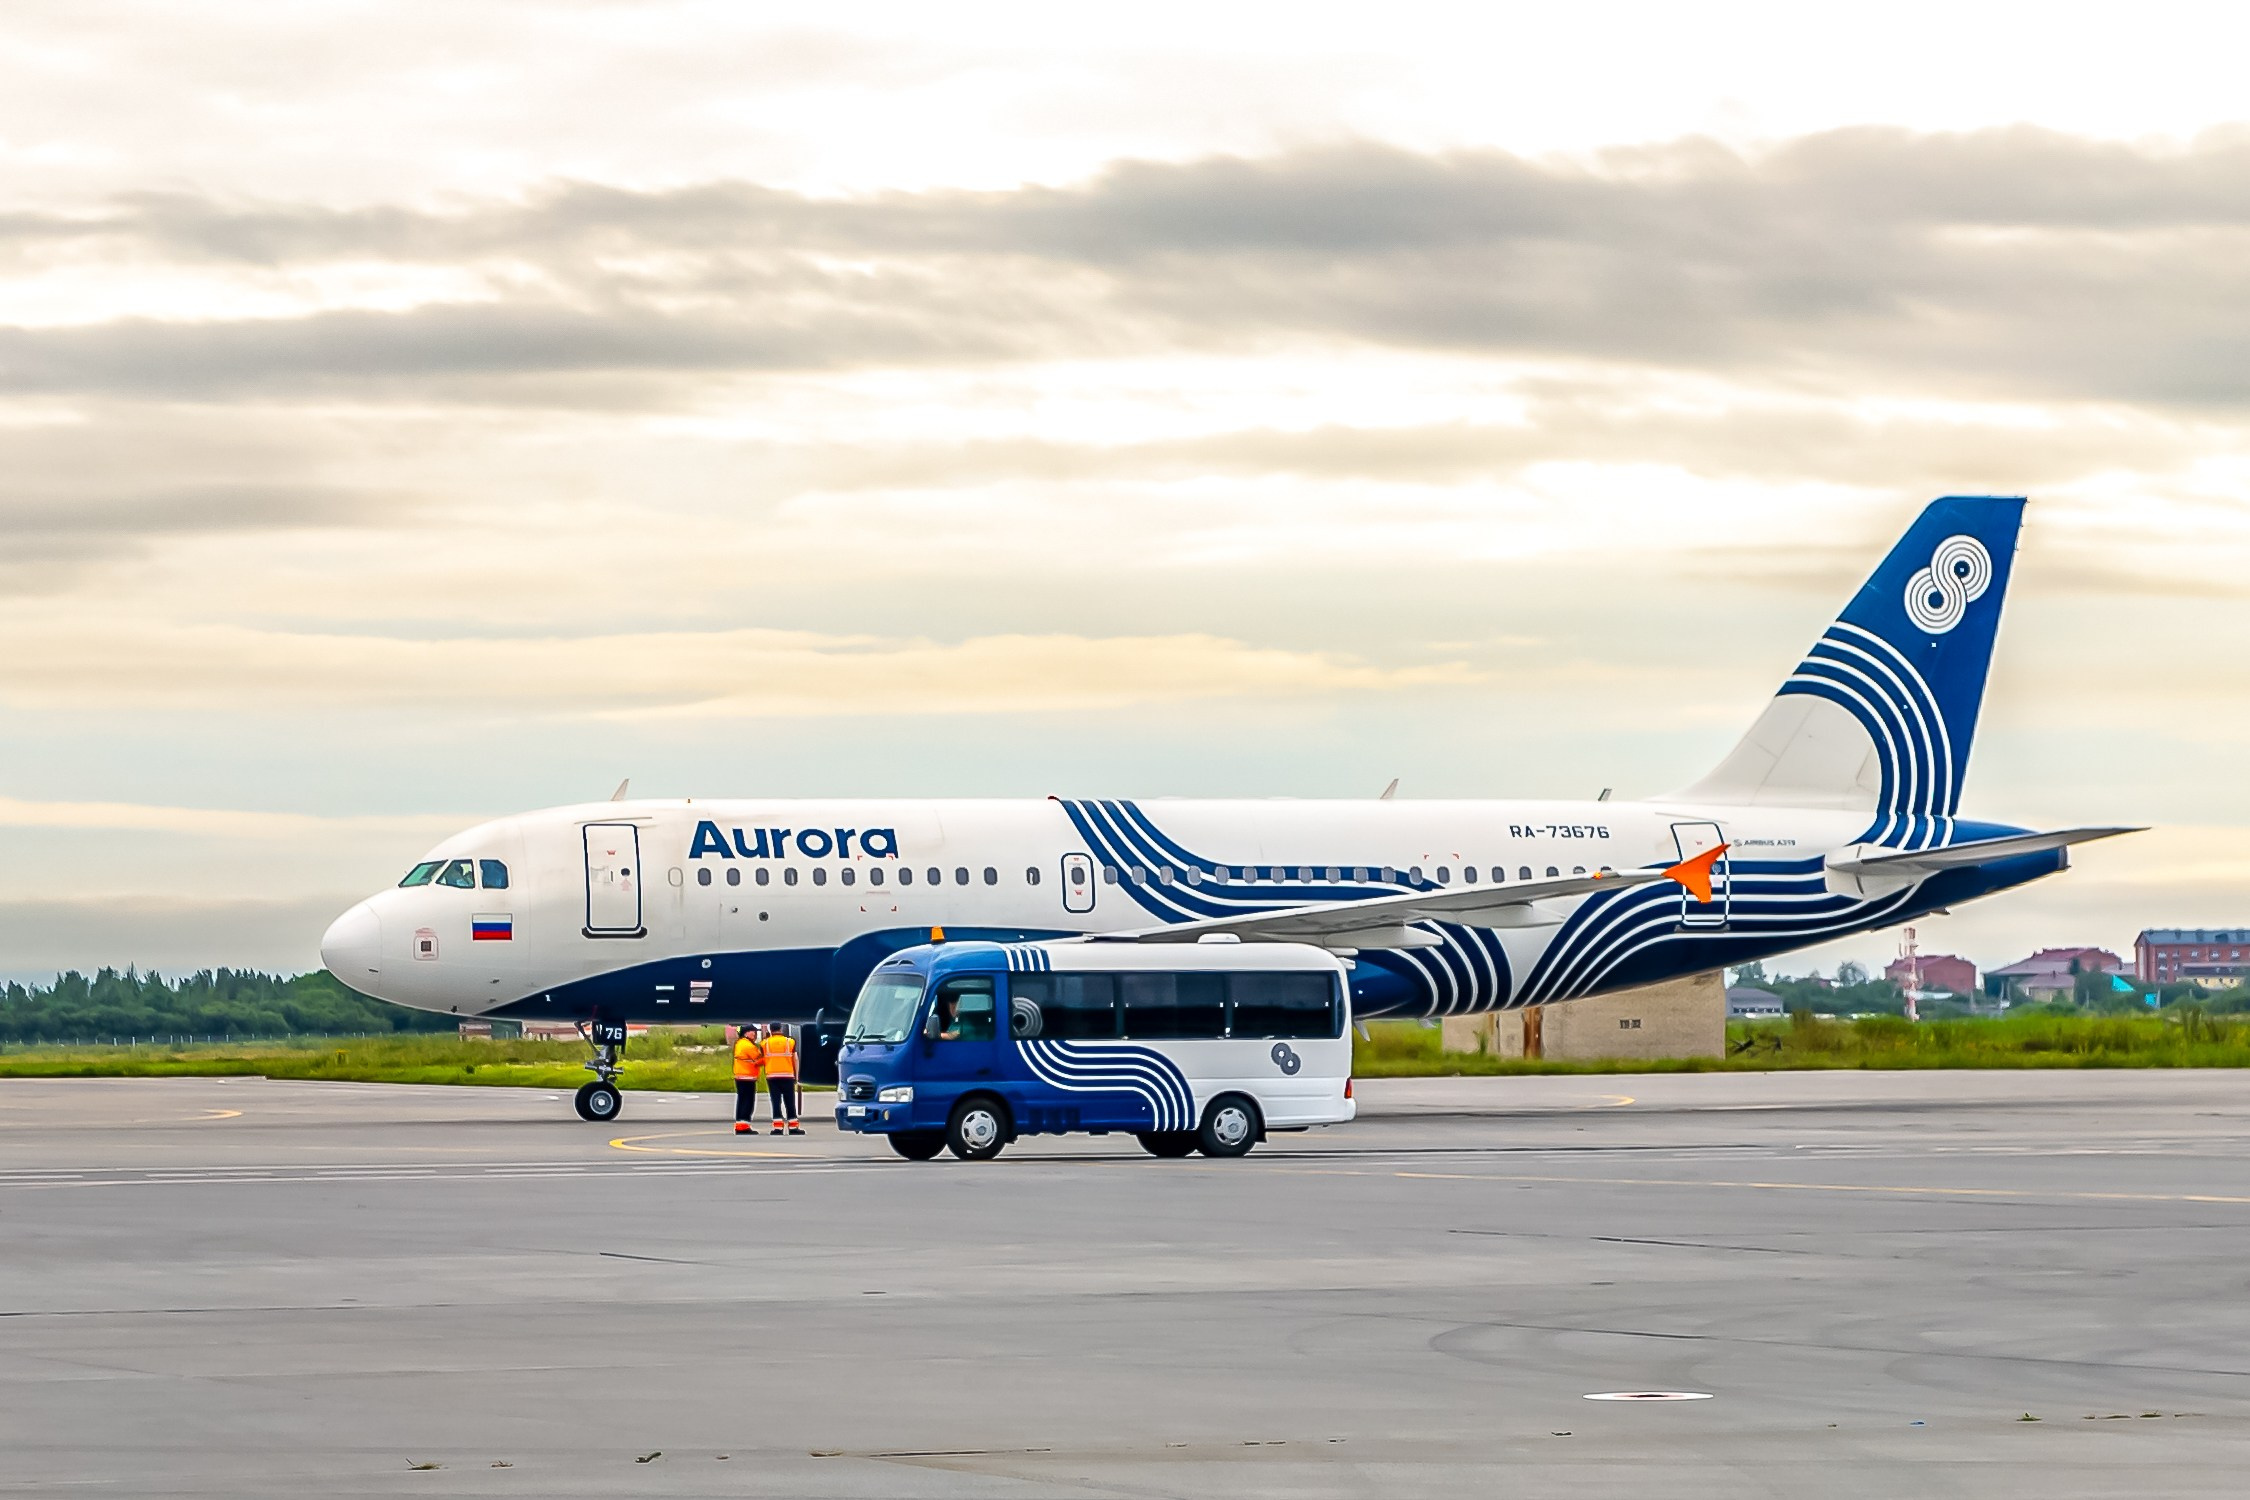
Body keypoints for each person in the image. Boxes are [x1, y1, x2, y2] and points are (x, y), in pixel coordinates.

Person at [761, 1024, 802, 1135]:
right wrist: (797, 1077)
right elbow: (795, 1059)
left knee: (775, 1102)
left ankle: (777, 1128)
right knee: (790, 1102)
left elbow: (762, 1059)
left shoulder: (765, 1043)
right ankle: (793, 1127)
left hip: (772, 1077)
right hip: (788, 1076)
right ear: (781, 1029)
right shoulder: (790, 1042)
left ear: (771, 1029)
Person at [732, 1024, 764, 1135]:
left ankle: (740, 1125)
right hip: (747, 1077)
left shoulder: (739, 1043)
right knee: (748, 1101)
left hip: (741, 1076)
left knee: (742, 1101)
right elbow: (758, 1059)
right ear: (746, 1033)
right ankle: (744, 1126)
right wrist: (768, 1058)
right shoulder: (748, 1045)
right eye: (752, 1032)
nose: (755, 1034)